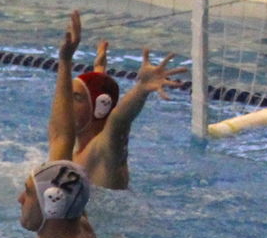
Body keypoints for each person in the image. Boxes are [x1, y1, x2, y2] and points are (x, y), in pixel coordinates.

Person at [18, 10, 100, 238]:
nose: (19, 199)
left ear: (52, 204)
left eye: (28, 192)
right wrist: (65, 61)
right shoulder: (70, 211)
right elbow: (62, 136)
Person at [70, 41, 188, 190]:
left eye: (76, 98)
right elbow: (100, 100)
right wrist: (99, 68)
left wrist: (141, 89)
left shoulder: (103, 150)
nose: (65, 103)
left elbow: (119, 121)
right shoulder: (78, 144)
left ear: (98, 109)